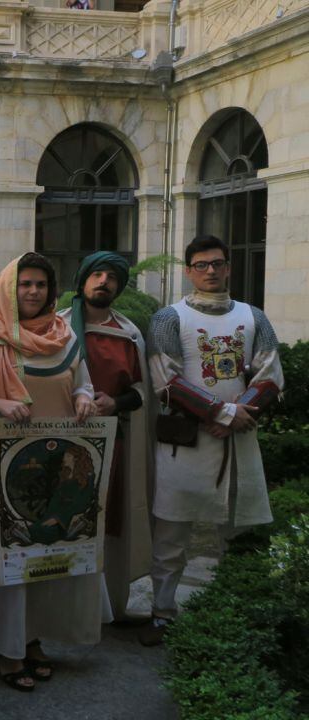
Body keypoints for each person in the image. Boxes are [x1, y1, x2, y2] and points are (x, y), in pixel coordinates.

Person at [0, 252, 101, 692]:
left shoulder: (66, 338)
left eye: (40, 284)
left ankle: (32, 639)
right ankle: (7, 647)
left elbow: (82, 382)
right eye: (25, 285)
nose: (33, 292)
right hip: (4, 471)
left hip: (57, 471)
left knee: (44, 555)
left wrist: (83, 398)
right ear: (8, 289)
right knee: (10, 555)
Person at [140, 235, 284, 646]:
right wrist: (221, 413)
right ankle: (162, 614)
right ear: (188, 270)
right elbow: (165, 381)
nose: (210, 271)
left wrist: (237, 416)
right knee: (171, 537)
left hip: (236, 442)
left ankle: (232, 610)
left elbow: (270, 375)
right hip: (186, 443)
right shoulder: (170, 318)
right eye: (201, 265)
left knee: (235, 535)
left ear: (228, 267)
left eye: (217, 263)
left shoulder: (253, 316)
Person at [58, 251, 152, 621]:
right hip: (66, 442)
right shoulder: (58, 328)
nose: (104, 282)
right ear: (82, 282)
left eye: (111, 277)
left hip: (116, 444)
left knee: (111, 524)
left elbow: (144, 392)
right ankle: (64, 609)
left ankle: (108, 606)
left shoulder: (129, 333)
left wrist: (114, 401)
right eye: (96, 275)